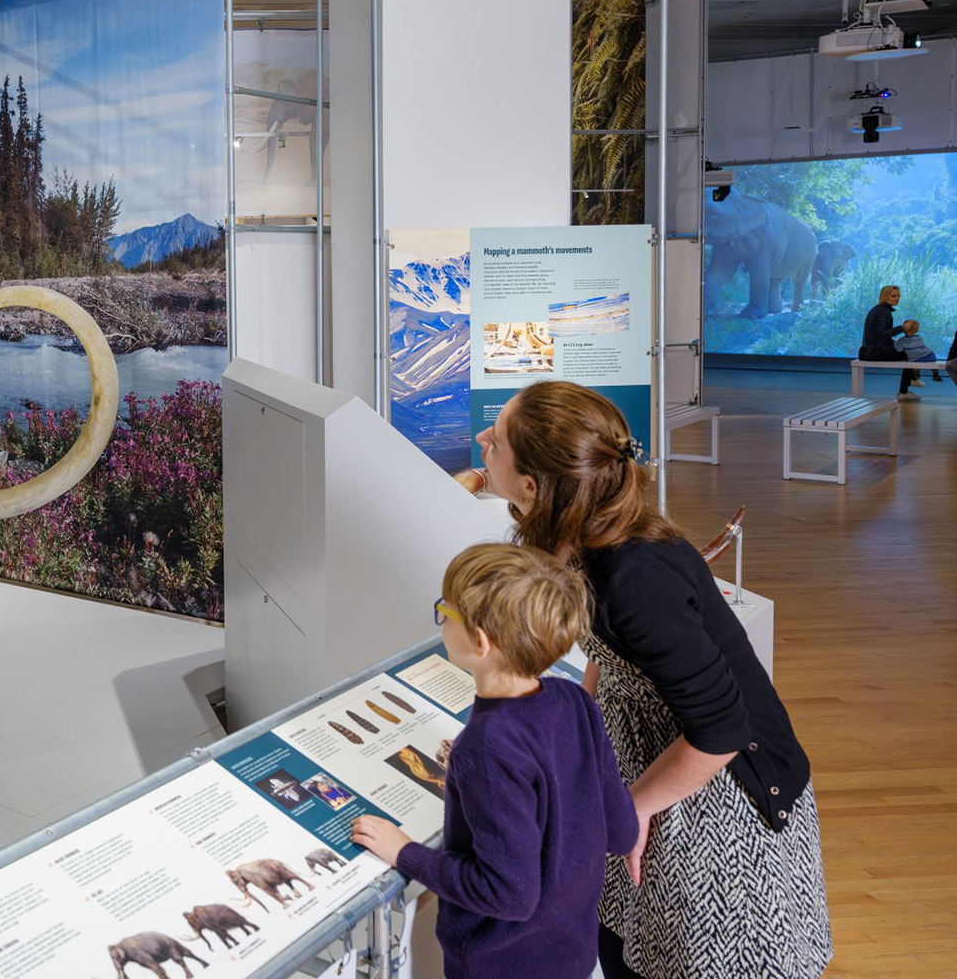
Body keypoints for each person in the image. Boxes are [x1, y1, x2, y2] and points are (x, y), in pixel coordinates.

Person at [476, 381, 831, 979]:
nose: (483, 438)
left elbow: (721, 729)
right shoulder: (585, 539)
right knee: (624, 948)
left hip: (714, 802)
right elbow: (613, 651)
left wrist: (633, 808)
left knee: (686, 962)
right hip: (644, 767)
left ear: (535, 486)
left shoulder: (636, 576)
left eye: (499, 437)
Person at [350, 543, 638, 979]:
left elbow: (509, 893)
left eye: (446, 610)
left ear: (480, 641)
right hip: (572, 952)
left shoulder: (486, 746)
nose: (442, 617)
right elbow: (622, 831)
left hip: (499, 966)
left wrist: (405, 853)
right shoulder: (575, 700)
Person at [859, 284, 917, 401]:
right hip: (874, 352)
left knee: (906, 350)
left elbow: (880, 336)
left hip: (868, 351)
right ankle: (908, 385)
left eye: (898, 296)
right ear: (885, 297)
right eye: (893, 296)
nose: (897, 299)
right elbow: (882, 334)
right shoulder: (884, 312)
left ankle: (909, 383)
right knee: (911, 353)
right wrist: (902, 328)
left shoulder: (878, 309)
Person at [897, 319, 943, 386]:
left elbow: (898, 349)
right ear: (916, 330)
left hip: (915, 359)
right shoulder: (919, 337)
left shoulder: (902, 340)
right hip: (928, 355)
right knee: (932, 360)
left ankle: (916, 377)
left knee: (914, 364)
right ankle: (935, 374)